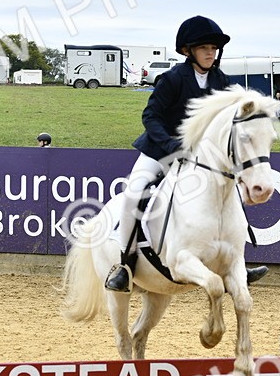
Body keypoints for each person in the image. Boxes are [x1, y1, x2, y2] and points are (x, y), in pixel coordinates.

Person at [104, 16, 269, 293]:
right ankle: (124, 264)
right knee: (134, 191)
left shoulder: (222, 81)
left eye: (214, 48)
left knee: (228, 192)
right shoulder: (171, 79)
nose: (210, 53)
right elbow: (151, 116)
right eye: (204, 47)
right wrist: (169, 146)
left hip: (204, 157)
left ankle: (237, 262)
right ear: (187, 50)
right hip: (162, 151)